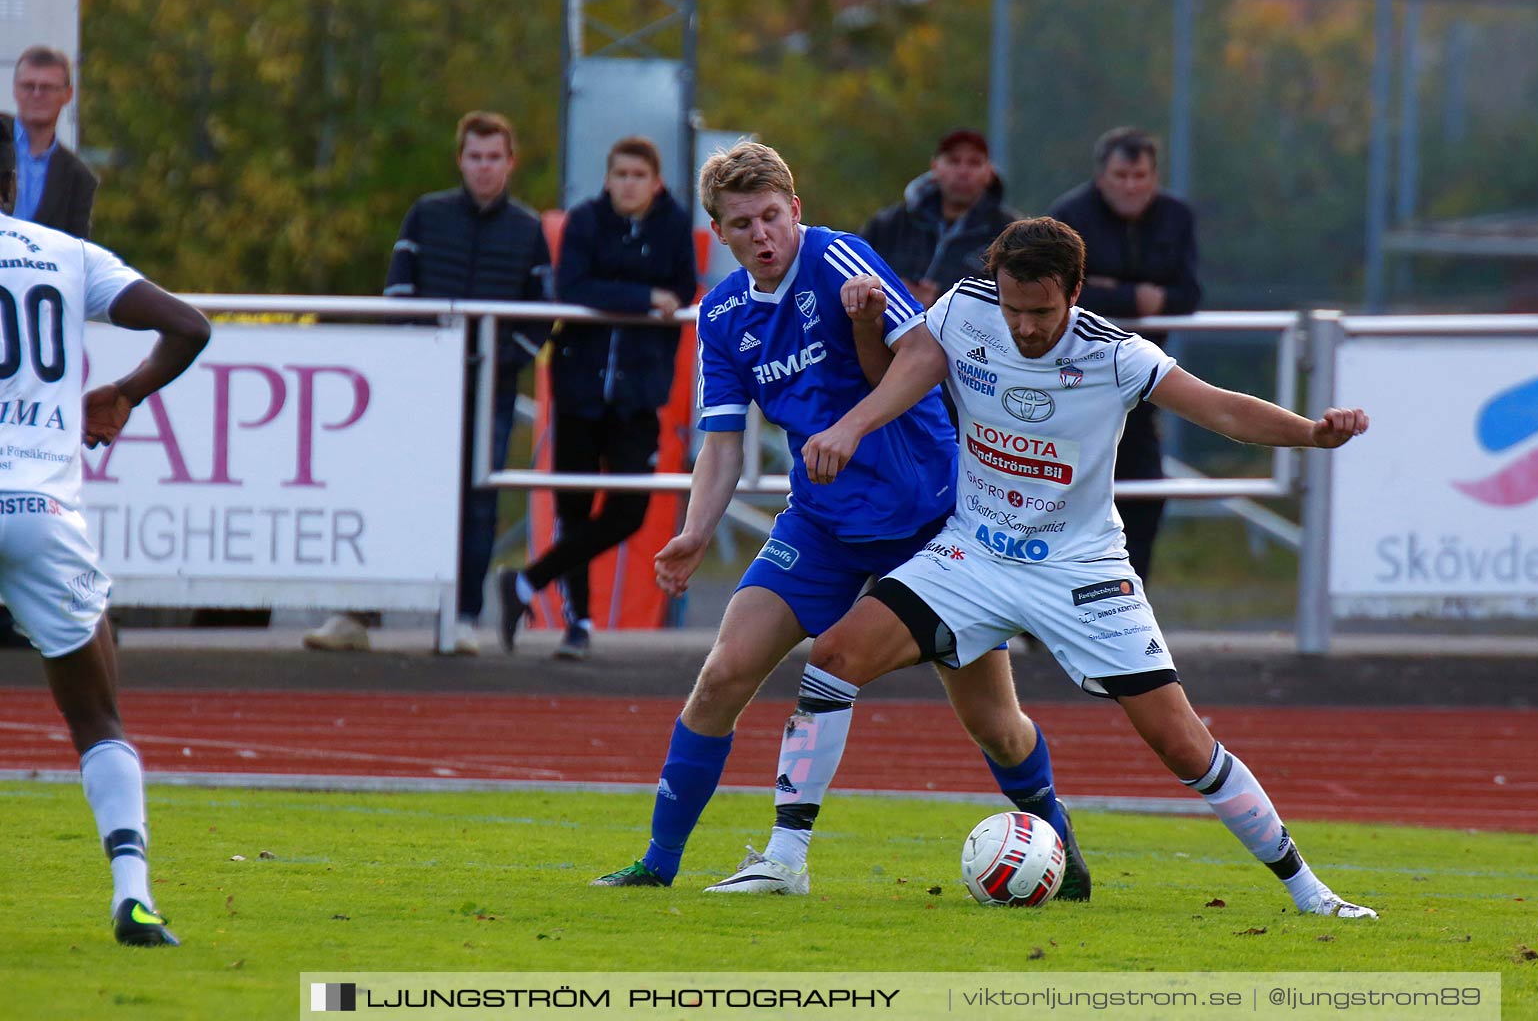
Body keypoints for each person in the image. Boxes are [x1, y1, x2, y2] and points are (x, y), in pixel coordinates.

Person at [732, 218, 1376, 919]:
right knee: (834, 656)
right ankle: (786, 861)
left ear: (1074, 291)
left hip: (1080, 570)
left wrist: (1311, 434)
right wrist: (854, 408)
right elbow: (896, 377)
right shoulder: (962, 310)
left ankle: (1308, 890)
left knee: (1181, 742)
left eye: (1040, 312)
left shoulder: (1116, 355)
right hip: (974, 553)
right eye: (1013, 308)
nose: (1024, 327)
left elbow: (1222, 410)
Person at [590, 141, 1089, 899]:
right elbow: (722, 444)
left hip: (929, 523)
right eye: (741, 223)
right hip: (821, 525)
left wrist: (850, 428)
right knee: (723, 673)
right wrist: (695, 529)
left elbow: (925, 357)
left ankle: (1057, 841)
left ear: (795, 211)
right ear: (718, 233)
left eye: (771, 216)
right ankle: (659, 865)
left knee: (995, 722)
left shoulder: (841, 262)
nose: (761, 234)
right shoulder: (721, 316)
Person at [1, 132, 212, 944]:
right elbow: (188, 327)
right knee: (97, 718)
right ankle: (133, 895)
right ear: (12, 180)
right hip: (41, 515)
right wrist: (122, 391)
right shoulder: (64, 253)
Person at [303, 112, 551, 655]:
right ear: (460, 160)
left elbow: (542, 315)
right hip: (418, 388)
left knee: (478, 501)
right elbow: (399, 293)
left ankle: (461, 617)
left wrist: (502, 359)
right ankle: (356, 613)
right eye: (474, 156)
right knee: (391, 489)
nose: (483, 168)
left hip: (491, 390)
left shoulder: (528, 230)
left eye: (494, 158)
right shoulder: (426, 215)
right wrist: (421, 355)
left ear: (509, 163)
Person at [496, 137, 698, 660]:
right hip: (580, 386)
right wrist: (640, 297)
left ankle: (525, 582)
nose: (628, 184)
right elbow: (574, 288)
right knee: (574, 509)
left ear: (656, 182)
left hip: (639, 391)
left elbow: (681, 289)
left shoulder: (674, 225)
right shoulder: (585, 220)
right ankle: (578, 622)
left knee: (630, 509)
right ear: (607, 179)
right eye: (620, 174)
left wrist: (646, 297)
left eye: (638, 174)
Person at [1049, 127, 1202, 584]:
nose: (1131, 186)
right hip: (1075, 382)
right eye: (1121, 175)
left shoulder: (1176, 217)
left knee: (1145, 495)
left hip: (1143, 382)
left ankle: (1130, 597)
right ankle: (1048, 604)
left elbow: (1189, 293)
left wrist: (1113, 290)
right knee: (1065, 495)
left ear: (1155, 178)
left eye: (1140, 175)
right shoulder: (1068, 216)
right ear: (1101, 177)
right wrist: (1138, 296)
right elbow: (1056, 294)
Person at [864, 128, 1018, 307]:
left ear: (989, 173)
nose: (963, 171)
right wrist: (893, 297)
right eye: (954, 161)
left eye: (974, 163)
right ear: (935, 166)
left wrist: (941, 305)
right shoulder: (889, 225)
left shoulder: (1008, 234)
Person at [5, 46, 98, 239]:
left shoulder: (78, 178)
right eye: (29, 86)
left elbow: (77, 251)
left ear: (68, 94)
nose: (37, 94)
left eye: (47, 87)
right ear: (14, 89)